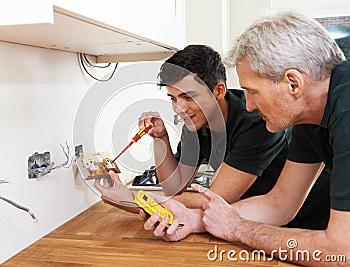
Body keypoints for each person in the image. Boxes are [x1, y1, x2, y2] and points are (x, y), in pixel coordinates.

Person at [141, 12, 349, 266]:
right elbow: (280, 204)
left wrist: (239, 229)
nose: (248, 105)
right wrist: (197, 220)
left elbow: (341, 250)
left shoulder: (345, 112)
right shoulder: (306, 114)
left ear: (292, 83)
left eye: (252, 91)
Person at [137, 44, 329, 229]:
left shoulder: (256, 121)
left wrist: (142, 202)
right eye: (173, 98)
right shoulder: (196, 123)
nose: (180, 108)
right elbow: (174, 186)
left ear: (219, 91)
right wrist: (160, 138)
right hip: (261, 216)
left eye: (188, 97)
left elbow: (218, 198)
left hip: (314, 219)